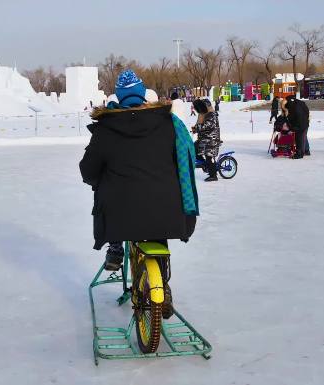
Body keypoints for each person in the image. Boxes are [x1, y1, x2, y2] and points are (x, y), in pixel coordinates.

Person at [80, 69, 198, 274]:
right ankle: (162, 282)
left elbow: (89, 171)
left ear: (119, 95)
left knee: (109, 193)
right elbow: (182, 160)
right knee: (156, 225)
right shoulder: (169, 123)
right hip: (166, 205)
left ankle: (115, 247)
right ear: (143, 92)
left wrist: (97, 181)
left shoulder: (106, 128)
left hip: (120, 209)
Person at [193, 99, 221, 182]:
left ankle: (213, 175)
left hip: (211, 140)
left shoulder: (211, 114)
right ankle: (205, 164)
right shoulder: (204, 114)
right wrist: (195, 129)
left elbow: (208, 125)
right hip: (204, 139)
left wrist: (198, 128)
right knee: (193, 148)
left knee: (209, 156)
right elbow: (200, 125)